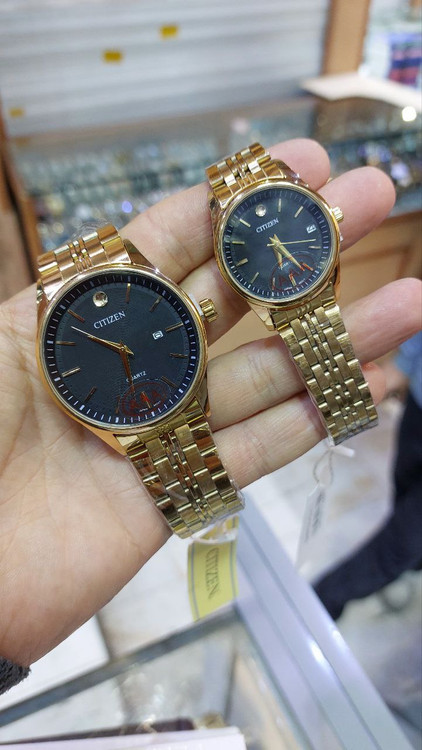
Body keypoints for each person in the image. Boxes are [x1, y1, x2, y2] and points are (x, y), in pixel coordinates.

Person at [0, 139, 421, 694]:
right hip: (137, 414)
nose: (123, 349)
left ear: (193, 314)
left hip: (174, 387)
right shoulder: (65, 366)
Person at [314, 332, 422, 620]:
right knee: (403, 489)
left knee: (400, 544)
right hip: (418, 412)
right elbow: (410, 353)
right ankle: (414, 563)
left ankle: (321, 603)